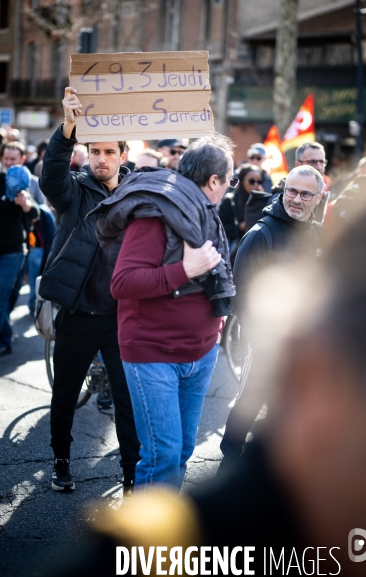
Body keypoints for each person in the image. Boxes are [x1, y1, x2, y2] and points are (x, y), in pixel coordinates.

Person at [44, 180, 366, 577]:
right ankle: (76, 463)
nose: (298, 200)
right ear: (306, 369)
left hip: (191, 353)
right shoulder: (159, 547)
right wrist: (186, 274)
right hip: (112, 333)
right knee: (158, 447)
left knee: (175, 447)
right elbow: (132, 282)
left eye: (309, 194)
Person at [94, 134, 236, 491]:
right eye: (229, 178)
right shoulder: (155, 216)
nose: (230, 186)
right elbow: (122, 283)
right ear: (215, 181)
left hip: (200, 354)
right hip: (153, 357)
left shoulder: (202, 213)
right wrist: (184, 270)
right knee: (163, 457)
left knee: (182, 450)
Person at [38, 87, 140, 494]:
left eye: (109, 152)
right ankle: (61, 461)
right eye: (94, 151)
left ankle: (132, 473)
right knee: (64, 396)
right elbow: (50, 176)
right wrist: (67, 128)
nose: (101, 158)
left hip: (121, 319)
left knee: (128, 402)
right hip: (78, 315)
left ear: (122, 155)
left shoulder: (139, 195)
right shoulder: (74, 192)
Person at [219, 164, 327, 473]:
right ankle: (231, 454)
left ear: (318, 198)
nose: (297, 199)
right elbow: (239, 292)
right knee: (252, 397)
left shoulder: (319, 233)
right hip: (266, 338)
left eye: (306, 194)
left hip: (307, 338)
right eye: (291, 191)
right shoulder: (261, 234)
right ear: (282, 190)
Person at [0, 149, 39, 372]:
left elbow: (34, 214)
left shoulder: (11, 183)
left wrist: (25, 204)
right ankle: (4, 341)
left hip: (9, 256)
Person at [218, 163, 263, 257]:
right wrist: (241, 227)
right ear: (242, 180)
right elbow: (221, 229)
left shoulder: (261, 200)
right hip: (235, 252)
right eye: (251, 181)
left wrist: (262, 198)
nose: (255, 185)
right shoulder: (229, 201)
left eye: (259, 182)